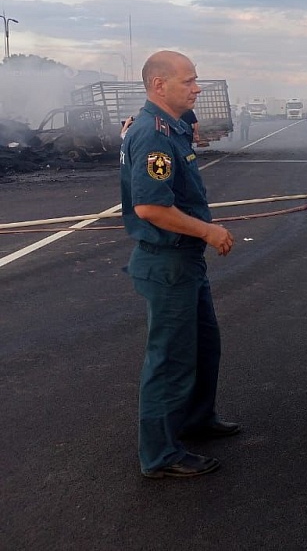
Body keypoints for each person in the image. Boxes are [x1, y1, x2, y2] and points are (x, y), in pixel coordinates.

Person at [120, 50, 238, 480]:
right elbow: (151, 206)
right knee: (170, 359)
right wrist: (208, 231)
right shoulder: (152, 135)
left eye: (195, 80)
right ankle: (160, 453)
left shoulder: (172, 128)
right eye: (188, 81)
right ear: (158, 85)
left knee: (204, 346)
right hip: (167, 262)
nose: (197, 87)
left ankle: (196, 420)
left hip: (185, 261)